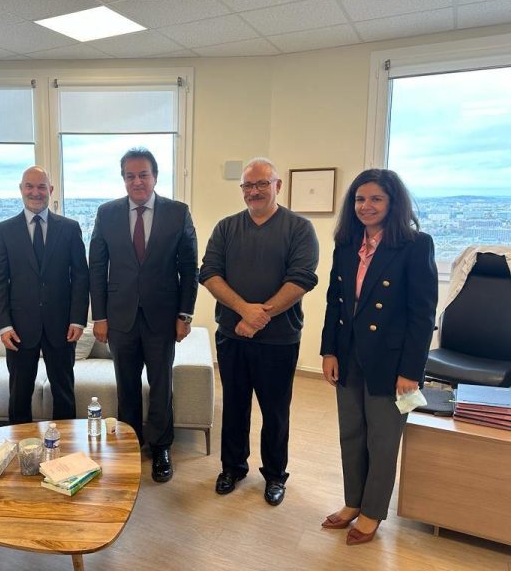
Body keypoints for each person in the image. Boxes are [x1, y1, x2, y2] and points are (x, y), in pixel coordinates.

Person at [319, 169, 437, 545]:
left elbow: (422, 315)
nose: (365, 206)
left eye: (375, 199)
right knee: (351, 434)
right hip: (349, 353)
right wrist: (329, 350)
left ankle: (372, 512)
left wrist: (411, 372)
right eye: (359, 199)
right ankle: (353, 501)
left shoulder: (416, 245)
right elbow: (335, 302)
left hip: (393, 362)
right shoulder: (347, 244)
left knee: (382, 440)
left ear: (393, 203)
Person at [200, 157, 319, 504]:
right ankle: (232, 468)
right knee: (234, 407)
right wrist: (244, 311)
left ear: (277, 186)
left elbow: (301, 279)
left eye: (262, 184)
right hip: (231, 336)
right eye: (248, 185)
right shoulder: (226, 228)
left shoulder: (299, 228)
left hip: (279, 341)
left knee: (275, 411)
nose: (254, 191)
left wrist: (258, 318)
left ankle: (275, 475)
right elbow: (208, 273)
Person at [89, 147, 198, 483]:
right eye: (130, 176)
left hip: (162, 318)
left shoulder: (177, 213)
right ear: (123, 179)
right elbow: (97, 268)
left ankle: (161, 446)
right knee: (126, 385)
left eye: (143, 175)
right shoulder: (106, 213)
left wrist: (184, 315)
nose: (137, 181)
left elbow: (188, 269)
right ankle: (130, 443)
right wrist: (99, 317)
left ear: (155, 177)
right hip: (120, 318)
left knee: (161, 384)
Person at [0, 166, 89, 423]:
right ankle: (20, 443)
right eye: (30, 186)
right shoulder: (4, 230)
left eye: (41, 186)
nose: (36, 192)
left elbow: (81, 276)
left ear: (50, 190)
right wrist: (4, 325)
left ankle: (66, 443)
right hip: (19, 329)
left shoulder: (69, 228)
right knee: (19, 394)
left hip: (62, 326)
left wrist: (78, 320)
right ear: (21, 189)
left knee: (64, 392)